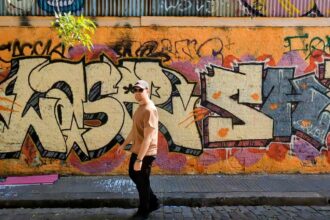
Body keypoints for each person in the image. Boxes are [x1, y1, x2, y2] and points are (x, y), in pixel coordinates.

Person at [118, 79, 160, 219]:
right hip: (137, 149)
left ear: (147, 91)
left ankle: (144, 211)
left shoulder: (149, 110)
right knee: (134, 174)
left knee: (142, 182)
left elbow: (148, 138)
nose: (137, 93)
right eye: (135, 90)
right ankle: (153, 201)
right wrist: (124, 145)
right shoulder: (140, 107)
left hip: (146, 152)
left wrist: (140, 159)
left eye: (140, 90)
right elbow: (134, 130)